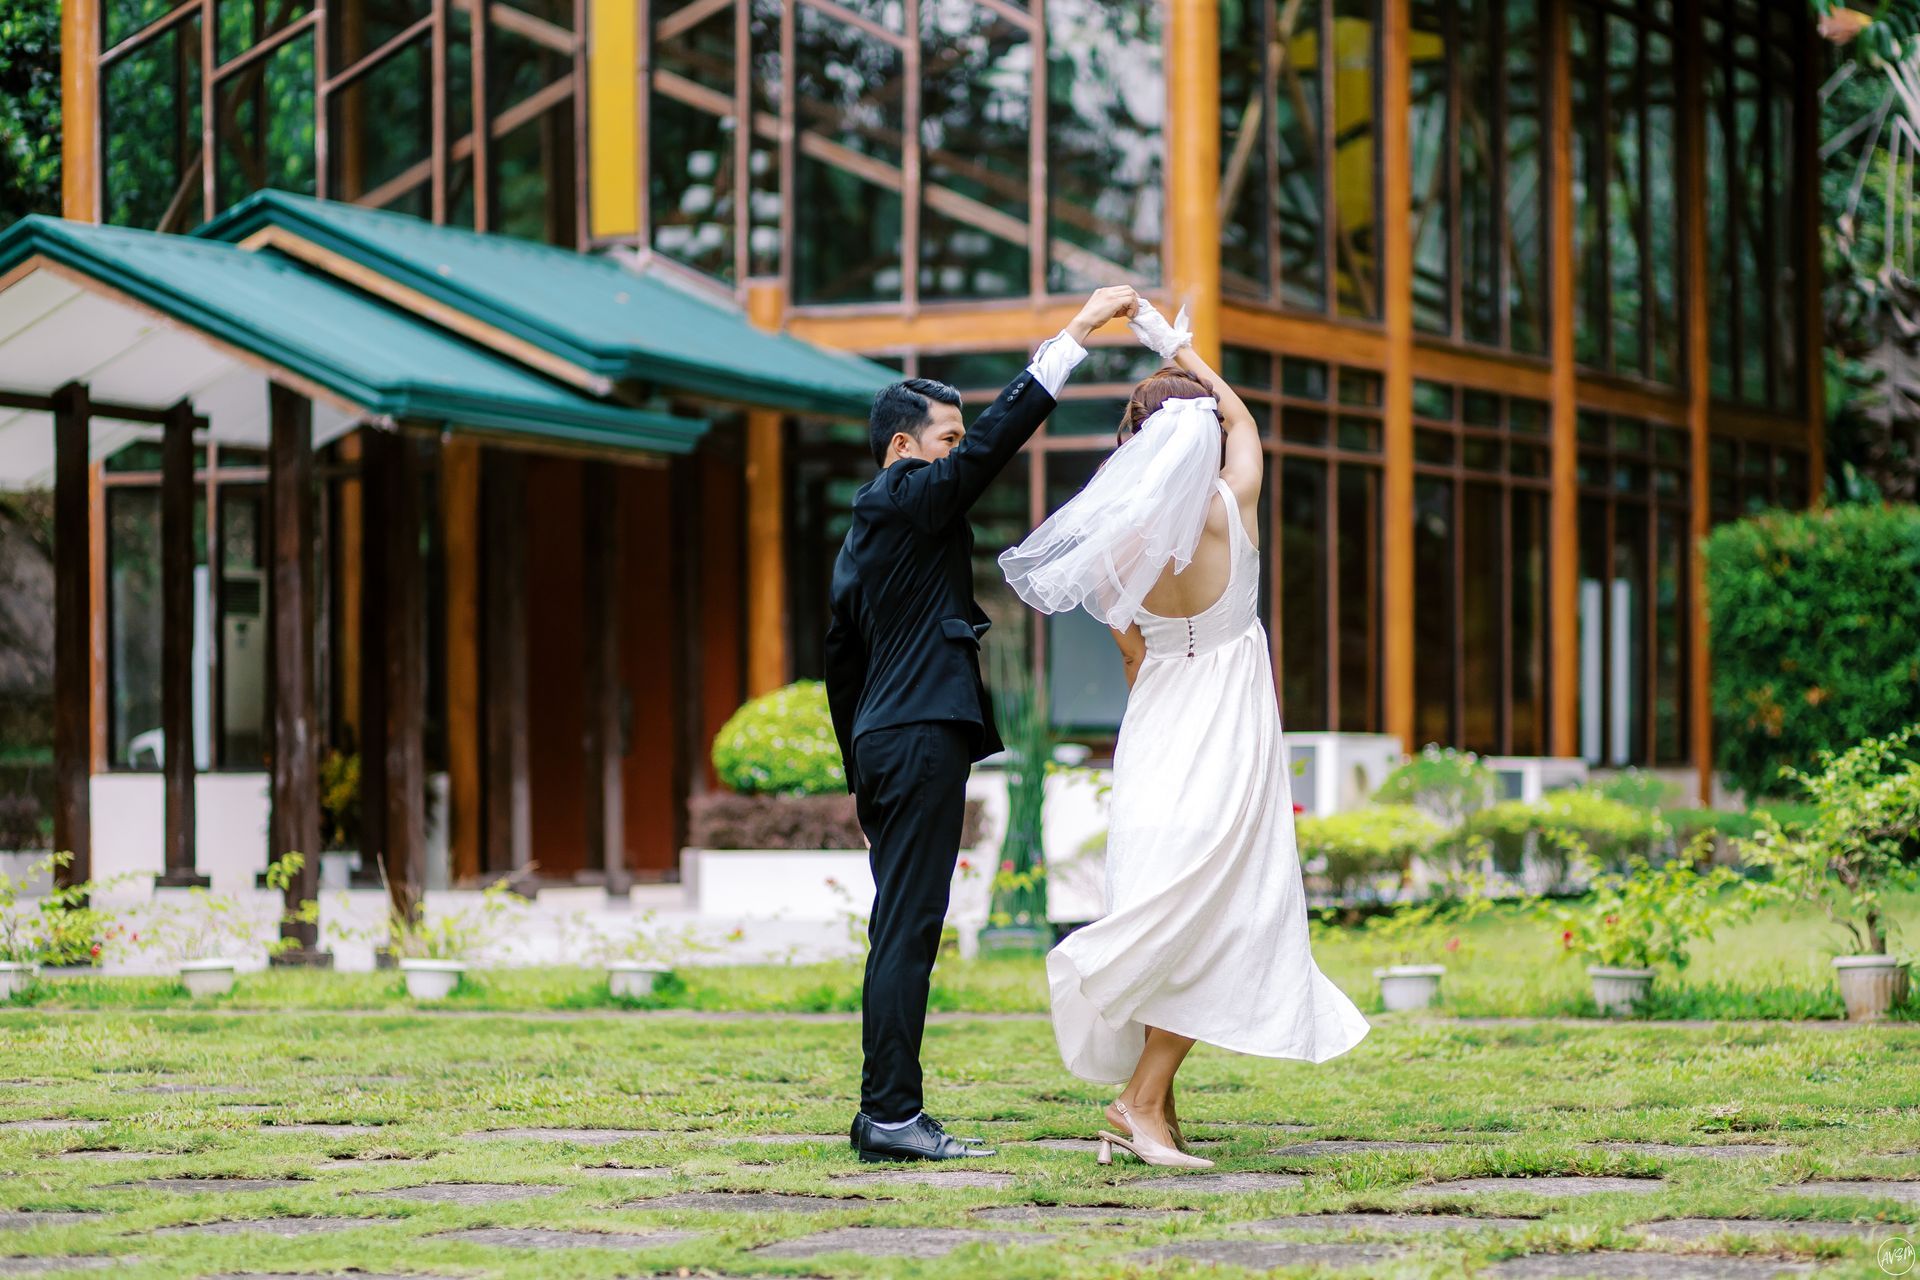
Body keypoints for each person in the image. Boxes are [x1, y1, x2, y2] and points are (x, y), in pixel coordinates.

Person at [1000, 299, 1370, 1170]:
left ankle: (1152, 1106)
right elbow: (1244, 422)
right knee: (1225, 914)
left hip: (1157, 726)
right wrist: (1182, 353)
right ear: (1199, 435)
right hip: (1228, 727)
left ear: (1134, 444)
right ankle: (1138, 1101)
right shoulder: (1232, 506)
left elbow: (1132, 653)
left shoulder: (1117, 541)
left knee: (1170, 910)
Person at [826, 284, 1142, 1163]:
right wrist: (1074, 335)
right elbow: (996, 445)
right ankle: (890, 1115)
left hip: (888, 740)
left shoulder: (871, 534)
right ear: (903, 448)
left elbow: (840, 660)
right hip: (919, 734)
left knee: (900, 926)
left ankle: (886, 1111)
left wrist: (861, 774)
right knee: (909, 928)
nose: (960, 454)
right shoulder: (904, 497)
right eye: (947, 440)